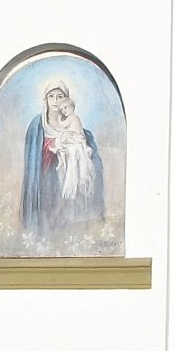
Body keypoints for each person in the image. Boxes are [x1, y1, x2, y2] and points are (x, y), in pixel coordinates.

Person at [20, 75, 105, 246]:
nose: (55, 101)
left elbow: (85, 146)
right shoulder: (37, 125)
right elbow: (34, 157)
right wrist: (54, 147)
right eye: (51, 96)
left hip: (68, 180)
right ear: (45, 99)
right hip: (46, 180)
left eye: (60, 97)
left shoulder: (73, 122)